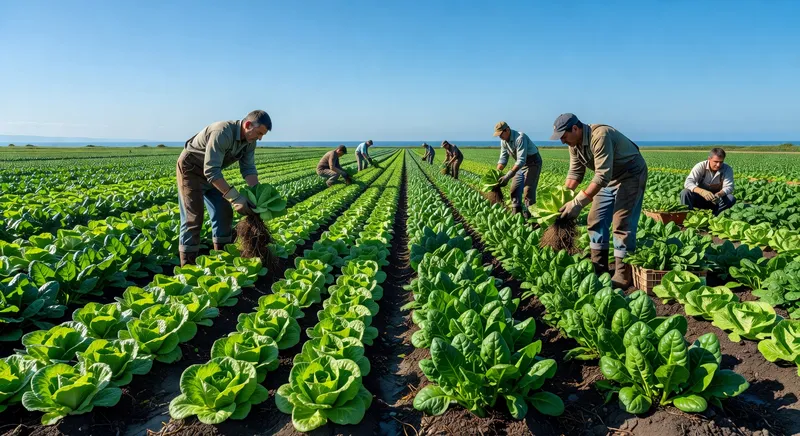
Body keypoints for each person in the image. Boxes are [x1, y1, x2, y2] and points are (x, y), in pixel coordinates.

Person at [552, 113, 648, 289]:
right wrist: (564, 197)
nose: (563, 141)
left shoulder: (600, 135)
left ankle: (622, 272)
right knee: (594, 219)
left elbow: (602, 175)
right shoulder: (574, 144)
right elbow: (575, 173)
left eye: (564, 136)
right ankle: (600, 268)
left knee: (622, 223)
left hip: (630, 175)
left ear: (575, 128)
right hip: (609, 178)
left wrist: (578, 203)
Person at [177, 110, 272, 266]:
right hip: (191, 170)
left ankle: (221, 257)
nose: (260, 138)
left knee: (224, 212)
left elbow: (248, 169)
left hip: (213, 173)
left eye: (263, 135)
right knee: (193, 218)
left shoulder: (250, 141)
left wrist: (258, 195)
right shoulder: (222, 132)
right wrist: (235, 197)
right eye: (259, 133)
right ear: (248, 125)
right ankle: (187, 268)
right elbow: (211, 171)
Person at [494, 121, 543, 217]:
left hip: (532, 163)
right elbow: (503, 159)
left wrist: (507, 176)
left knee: (528, 190)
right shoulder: (503, 141)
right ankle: (516, 214)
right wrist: (496, 173)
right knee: (514, 189)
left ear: (507, 130)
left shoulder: (520, 138)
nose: (500, 137)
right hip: (520, 165)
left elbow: (521, 160)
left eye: (500, 134)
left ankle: (531, 217)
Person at [680, 148, 735, 216]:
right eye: (716, 161)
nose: (718, 165)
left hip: (715, 201)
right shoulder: (700, 166)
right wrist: (702, 192)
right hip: (699, 198)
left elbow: (729, 187)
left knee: (731, 198)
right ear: (709, 159)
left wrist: (719, 194)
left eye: (721, 162)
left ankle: (715, 215)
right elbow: (688, 182)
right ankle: (688, 216)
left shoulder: (727, 169)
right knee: (685, 192)